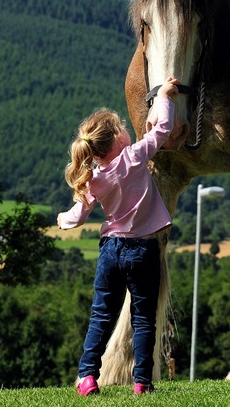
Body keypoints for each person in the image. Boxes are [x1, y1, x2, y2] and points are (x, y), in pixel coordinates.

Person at [58, 77, 179, 396]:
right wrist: (165, 95)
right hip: (143, 249)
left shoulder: (93, 177)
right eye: (122, 127)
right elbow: (162, 131)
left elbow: (76, 217)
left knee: (101, 315)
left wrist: (61, 219)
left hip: (110, 251)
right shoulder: (134, 157)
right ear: (116, 139)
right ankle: (142, 381)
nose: (128, 129)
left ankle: (87, 377)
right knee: (143, 318)